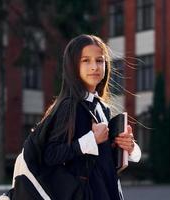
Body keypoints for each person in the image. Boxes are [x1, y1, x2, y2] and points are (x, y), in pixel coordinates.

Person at [39, 34, 141, 200]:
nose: (94, 67)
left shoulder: (103, 107)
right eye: (85, 60)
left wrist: (128, 148)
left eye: (99, 60)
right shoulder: (69, 106)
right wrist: (91, 140)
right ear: (73, 66)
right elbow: (49, 155)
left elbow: (105, 158)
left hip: (108, 189)